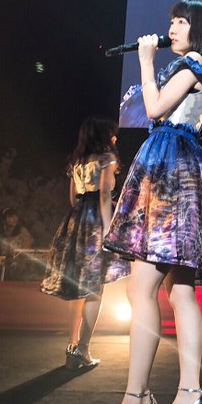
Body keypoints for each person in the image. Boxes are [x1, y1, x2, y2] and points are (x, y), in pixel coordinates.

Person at [81, 0, 202, 404]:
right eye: (172, 20)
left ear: (200, 29)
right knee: (180, 292)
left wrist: (146, 61)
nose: (172, 27)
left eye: (181, 21)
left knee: (141, 289)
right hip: (174, 169)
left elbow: (153, 109)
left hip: (171, 173)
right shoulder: (193, 65)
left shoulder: (193, 62)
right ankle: (189, 395)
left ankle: (137, 399)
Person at [41, 116, 130, 369]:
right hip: (95, 223)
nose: (115, 138)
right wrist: (108, 229)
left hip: (75, 220)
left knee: (78, 288)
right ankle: (83, 348)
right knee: (93, 289)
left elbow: (72, 198)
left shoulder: (77, 162)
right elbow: (104, 194)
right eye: (112, 134)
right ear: (104, 136)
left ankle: (71, 346)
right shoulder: (107, 159)